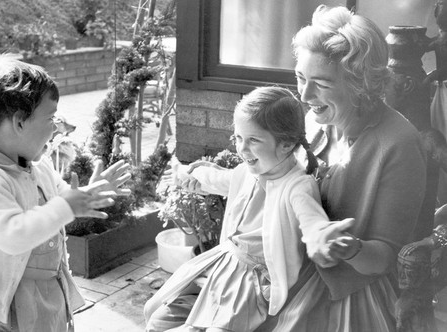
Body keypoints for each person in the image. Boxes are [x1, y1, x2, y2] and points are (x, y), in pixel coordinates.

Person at [255, 5, 428, 331]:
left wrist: (346, 248)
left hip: (348, 291)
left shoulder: (399, 144)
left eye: (320, 83)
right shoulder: (311, 122)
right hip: (286, 269)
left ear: (359, 83)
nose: (304, 95)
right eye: (300, 77)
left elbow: (385, 257)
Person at [144, 86, 355, 332]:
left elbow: (311, 220)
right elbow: (215, 178)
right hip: (221, 265)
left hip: (250, 283)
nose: (242, 149)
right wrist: (186, 174)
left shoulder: (297, 185)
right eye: (238, 138)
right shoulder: (246, 172)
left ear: (286, 144)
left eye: (253, 140)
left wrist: (321, 235)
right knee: (156, 314)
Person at [0, 55, 131, 332]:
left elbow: (60, 198)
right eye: (50, 118)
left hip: (44, 289)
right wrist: (68, 205)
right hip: (3, 301)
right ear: (19, 122)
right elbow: (15, 236)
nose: (56, 126)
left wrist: (86, 194)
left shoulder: (38, 165)